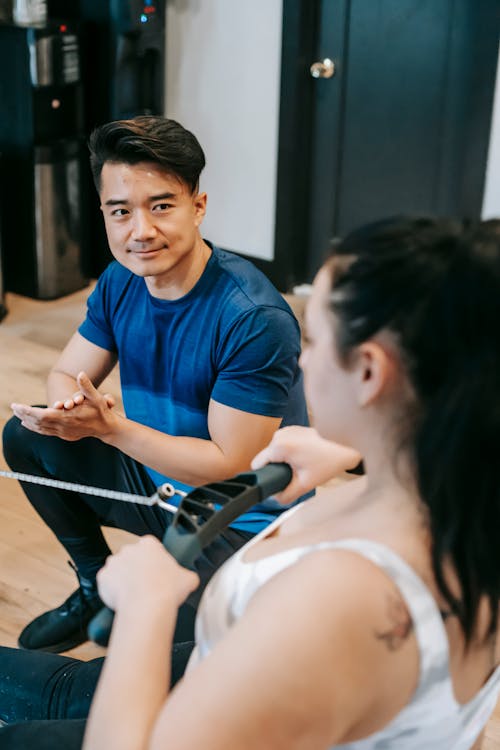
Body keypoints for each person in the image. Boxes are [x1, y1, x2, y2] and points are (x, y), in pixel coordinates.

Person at [2, 215, 499, 749]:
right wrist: (357, 445)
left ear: (371, 373)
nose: (303, 359)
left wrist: (146, 604)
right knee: (62, 689)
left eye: (316, 338)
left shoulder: (338, 600)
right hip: (235, 668)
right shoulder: (469, 492)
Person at [1, 115, 308, 654]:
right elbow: (62, 373)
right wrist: (67, 411)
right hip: (155, 481)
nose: (140, 231)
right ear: (104, 215)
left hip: (236, 516)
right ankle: (95, 585)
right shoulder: (122, 279)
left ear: (199, 206)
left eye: (161, 205)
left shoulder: (253, 316)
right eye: (120, 211)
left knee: (159, 662)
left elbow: (228, 465)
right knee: (26, 436)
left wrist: (112, 429)